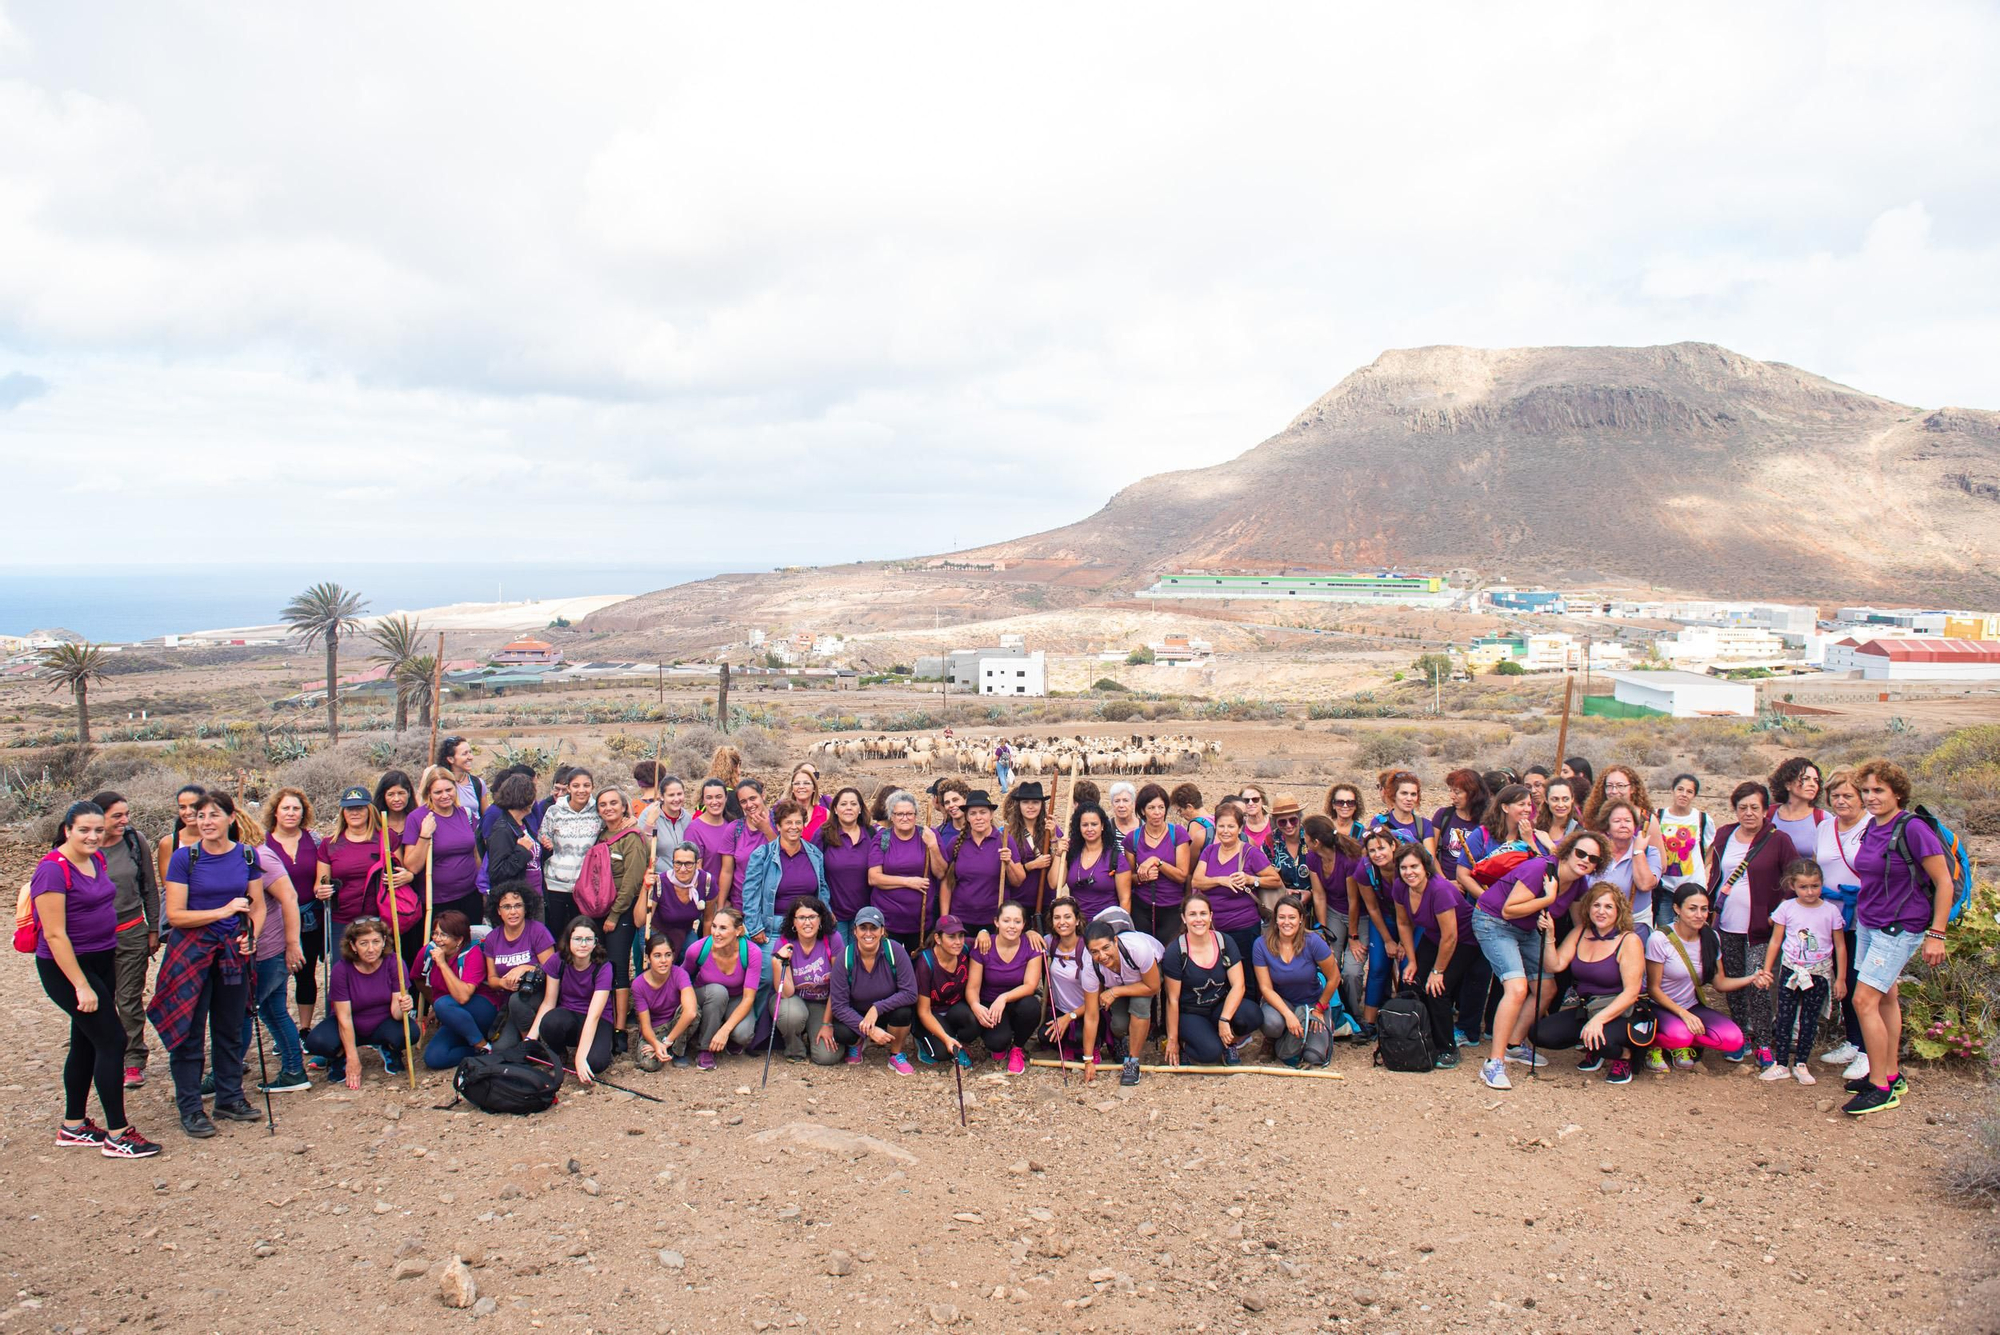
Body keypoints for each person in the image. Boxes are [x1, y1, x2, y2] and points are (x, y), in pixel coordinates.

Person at [29, 801, 161, 1157]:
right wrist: (81, 985)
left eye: (98, 830)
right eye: (84, 830)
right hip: (68, 968)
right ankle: (118, 1133)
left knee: (86, 1040)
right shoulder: (52, 870)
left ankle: (73, 1126)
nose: (92, 836)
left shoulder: (96, 859)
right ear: (68, 829)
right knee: (113, 1040)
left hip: (103, 958)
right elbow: (55, 935)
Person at [153, 791, 270, 1137]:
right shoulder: (184, 858)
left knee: (230, 1027)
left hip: (233, 951)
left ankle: (229, 1097)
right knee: (189, 1032)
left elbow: (258, 905)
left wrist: (253, 935)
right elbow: (175, 915)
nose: (205, 821)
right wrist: (222, 912)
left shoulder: (247, 856)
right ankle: (190, 1108)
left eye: (213, 815)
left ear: (231, 818)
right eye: (199, 815)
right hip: (191, 951)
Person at [1843, 758, 1955, 1115]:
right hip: (1870, 924)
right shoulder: (1873, 826)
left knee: (1864, 1001)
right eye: (1866, 791)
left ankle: (1879, 1088)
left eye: (1879, 790)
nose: (1871, 797)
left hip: (1899, 927)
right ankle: (1890, 1073)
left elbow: (1944, 882)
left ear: (1897, 793)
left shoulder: (1913, 828)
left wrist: (1936, 933)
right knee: (1885, 995)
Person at [1470, 829, 1608, 1091]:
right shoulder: (1540, 870)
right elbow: (1508, 910)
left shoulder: (1579, 883)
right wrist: (1548, 898)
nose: (1585, 860)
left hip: (1528, 928)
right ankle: (1494, 1062)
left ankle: (1513, 1044)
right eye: (1581, 853)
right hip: (1493, 921)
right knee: (1517, 988)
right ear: (1567, 851)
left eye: (1593, 859)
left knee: (1547, 988)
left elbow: (1579, 922)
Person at [1706, 781, 1798, 1068]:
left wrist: (1779, 911)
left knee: (1758, 982)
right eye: (1742, 807)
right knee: (1733, 982)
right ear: (1735, 809)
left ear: (1764, 809)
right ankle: (1741, 1036)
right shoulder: (1724, 834)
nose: (1748, 813)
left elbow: (1792, 877)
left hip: (1761, 927)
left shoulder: (1778, 839)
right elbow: (1714, 873)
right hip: (1726, 924)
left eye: (1754, 808)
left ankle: (1763, 1043)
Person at [1529, 883, 1648, 1084]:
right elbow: (1554, 966)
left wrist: (1598, 1020)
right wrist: (1549, 935)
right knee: (1539, 1033)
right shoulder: (1581, 931)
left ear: (1618, 911)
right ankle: (1594, 1045)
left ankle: (1625, 1055)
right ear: (1588, 908)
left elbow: (1631, 992)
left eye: (1608, 907)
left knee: (1604, 1040)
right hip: (1587, 1007)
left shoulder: (1629, 940)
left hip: (1620, 1011)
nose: (1601, 911)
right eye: (1596, 905)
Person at [87, 789, 161, 1092]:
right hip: (92, 937)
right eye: (117, 815)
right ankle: (102, 1052)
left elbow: (149, 885)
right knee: (96, 997)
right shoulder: (83, 845)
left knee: (128, 999)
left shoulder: (134, 840)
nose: (124, 820)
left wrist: (153, 927)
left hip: (131, 931)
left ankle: (133, 1059)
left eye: (126, 814)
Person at [235, 803, 309, 1096]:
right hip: (266, 950)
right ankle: (293, 1070)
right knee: (273, 1009)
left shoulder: (259, 857)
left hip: (268, 951)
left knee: (243, 1011)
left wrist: (293, 945)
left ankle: (225, 1073)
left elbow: (289, 897)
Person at [1757, 859, 1847, 1085]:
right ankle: (1780, 1064)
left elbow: (1840, 946)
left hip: (1818, 972)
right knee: (1785, 1017)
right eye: (1804, 887)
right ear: (1793, 886)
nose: (1809, 892)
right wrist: (1767, 970)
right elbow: (1776, 941)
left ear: (1821, 884)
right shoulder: (1787, 908)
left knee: (1809, 1019)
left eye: (1815, 886)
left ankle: (1802, 1064)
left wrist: (1841, 979)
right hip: (1791, 971)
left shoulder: (1831, 911)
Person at [303, 916, 419, 1091]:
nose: (371, 949)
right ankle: (341, 1055)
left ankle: (388, 1048)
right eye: (364, 943)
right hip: (351, 1023)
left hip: (383, 1022)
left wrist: (405, 1005)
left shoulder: (394, 963)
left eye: (376, 942)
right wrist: (353, 1059)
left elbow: (396, 1013)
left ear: (384, 942)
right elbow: (344, 1017)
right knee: (317, 1042)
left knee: (409, 1032)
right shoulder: (341, 970)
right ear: (353, 946)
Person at [1647, 884, 1755, 1065]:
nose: (1699, 915)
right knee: (1680, 1035)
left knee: (1733, 1039)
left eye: (1704, 909)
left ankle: (1682, 1043)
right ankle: (1654, 1046)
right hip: (1660, 1006)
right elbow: (1653, 989)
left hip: (1691, 1005)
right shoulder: (1660, 939)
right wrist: (1683, 1014)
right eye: (1692, 908)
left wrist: (1751, 978)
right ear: (1677, 909)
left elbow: (1719, 984)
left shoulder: (1712, 937)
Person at [1386, 842, 1471, 1069]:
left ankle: (1447, 1048)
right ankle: (1422, 1033)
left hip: (1465, 940)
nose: (1409, 872)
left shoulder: (1439, 890)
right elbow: (1403, 922)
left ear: (1425, 867)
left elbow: (1451, 936)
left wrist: (1437, 971)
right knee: (1411, 983)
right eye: (1404, 868)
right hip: (1434, 936)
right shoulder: (1400, 887)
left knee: (1437, 990)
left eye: (1414, 866)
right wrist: (1412, 961)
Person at [1811, 770, 1870, 1072]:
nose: (1841, 801)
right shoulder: (1824, 827)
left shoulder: (1872, 826)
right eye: (1835, 795)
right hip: (1832, 916)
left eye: (1848, 795)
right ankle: (1853, 1041)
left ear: (1862, 797)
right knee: (1843, 978)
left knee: (1864, 981)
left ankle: (1869, 1050)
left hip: (1866, 915)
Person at [1161, 894, 1259, 1066]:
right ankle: (1189, 1044)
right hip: (1190, 1012)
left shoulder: (1224, 941)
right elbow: (1172, 1000)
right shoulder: (1176, 951)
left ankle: (1229, 1042)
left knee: (1253, 1015)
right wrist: (1172, 1040)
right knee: (1209, 1053)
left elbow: (1238, 985)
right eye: (1192, 914)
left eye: (1203, 913)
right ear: (1184, 918)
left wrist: (1225, 1019)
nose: (1198, 919)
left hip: (1218, 1007)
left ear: (1211, 916)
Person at [321, 786, 413, 964]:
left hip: (379, 917)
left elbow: (401, 870)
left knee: (379, 969)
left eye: (360, 808)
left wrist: (408, 876)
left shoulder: (386, 838)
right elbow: (320, 883)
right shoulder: (329, 844)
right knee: (343, 971)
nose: (355, 812)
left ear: (369, 810)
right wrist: (321, 891)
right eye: (350, 808)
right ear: (343, 812)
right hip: (342, 919)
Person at [261, 786, 326, 1040]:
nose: (291, 813)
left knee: (306, 973)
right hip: (275, 921)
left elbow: (324, 871)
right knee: (277, 976)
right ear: (275, 812)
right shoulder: (262, 843)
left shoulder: (315, 840)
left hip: (311, 918)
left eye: (296, 809)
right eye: (285, 808)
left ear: (303, 813)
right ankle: (280, 1032)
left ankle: (305, 1028)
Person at [590, 788, 650, 1052]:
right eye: (603, 804)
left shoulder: (632, 838)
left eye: (614, 803)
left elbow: (632, 880)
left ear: (625, 807)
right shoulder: (599, 836)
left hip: (620, 912)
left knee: (618, 968)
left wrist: (615, 914)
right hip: (597, 909)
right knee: (600, 966)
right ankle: (601, 1020)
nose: (608, 808)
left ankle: (620, 1029)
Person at [1252, 895, 1343, 1067]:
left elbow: (1334, 978)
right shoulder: (1261, 944)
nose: (1287, 922)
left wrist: (1319, 1008)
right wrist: (1288, 1015)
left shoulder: (1314, 941)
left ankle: (1306, 1032)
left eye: (1292, 917)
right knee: (1272, 1023)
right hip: (1281, 1003)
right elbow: (1265, 988)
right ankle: (1273, 1039)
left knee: (1313, 1058)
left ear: (1301, 919)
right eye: (1282, 917)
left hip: (1312, 1004)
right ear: (1275, 919)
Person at [522, 916, 615, 1081]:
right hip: (569, 1015)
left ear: (595, 942)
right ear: (569, 940)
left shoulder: (604, 968)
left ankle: (594, 1047)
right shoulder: (558, 961)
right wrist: (529, 1039)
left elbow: (593, 1016)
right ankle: (559, 1053)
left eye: (588, 939)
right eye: (578, 939)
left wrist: (580, 1058)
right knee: (550, 1022)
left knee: (596, 1063)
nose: (583, 944)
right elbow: (548, 1003)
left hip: (597, 1019)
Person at [827, 906, 917, 1071]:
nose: (868, 933)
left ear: (882, 930)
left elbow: (910, 993)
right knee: (841, 1032)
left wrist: (877, 1008)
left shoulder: (895, 950)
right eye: (863, 928)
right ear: (855, 931)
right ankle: (858, 1042)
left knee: (904, 1012)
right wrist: (869, 1030)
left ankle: (896, 1054)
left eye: (873, 928)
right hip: (858, 1015)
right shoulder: (844, 958)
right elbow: (839, 1006)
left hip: (886, 1011)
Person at [1080, 916, 1166, 1085]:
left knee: (1140, 1006)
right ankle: (1123, 1039)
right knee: (1119, 1025)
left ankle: (1132, 1062)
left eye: (1106, 948)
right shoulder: (1090, 966)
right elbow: (1091, 1015)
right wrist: (1088, 1060)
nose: (1102, 956)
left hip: (1145, 976)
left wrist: (1115, 991)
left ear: (1115, 941)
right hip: (1118, 980)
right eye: (1095, 952)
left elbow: (1153, 987)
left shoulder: (1137, 948)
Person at [1192, 802, 1279, 964]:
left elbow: (1275, 880)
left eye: (1231, 826)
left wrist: (1251, 879)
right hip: (1213, 927)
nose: (1225, 831)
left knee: (1246, 975)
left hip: (1243, 927)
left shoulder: (1250, 853)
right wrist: (1220, 880)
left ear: (1240, 829)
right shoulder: (1209, 851)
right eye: (1221, 826)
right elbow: (1197, 881)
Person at [1301, 814, 1368, 1020]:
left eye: (1306, 836)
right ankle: (1336, 1010)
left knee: (1352, 970)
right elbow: (1319, 895)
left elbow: (1354, 900)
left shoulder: (1348, 859)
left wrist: (1354, 937)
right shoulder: (1313, 857)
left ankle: (1354, 1015)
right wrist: (1322, 929)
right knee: (1327, 958)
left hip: (1360, 915)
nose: (1304, 839)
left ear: (1316, 841)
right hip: (1334, 911)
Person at [401, 766, 482, 933]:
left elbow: (475, 854)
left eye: (449, 790)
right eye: (438, 792)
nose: (445, 796)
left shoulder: (465, 814)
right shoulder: (417, 818)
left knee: (470, 947)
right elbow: (412, 866)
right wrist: (424, 835)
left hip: (470, 896)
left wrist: (482, 887)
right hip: (437, 902)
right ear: (428, 793)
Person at [968, 902, 1044, 1072]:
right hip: (990, 1003)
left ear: (1024, 924)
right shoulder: (984, 946)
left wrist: (1004, 997)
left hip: (1017, 1001)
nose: (1012, 926)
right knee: (997, 1044)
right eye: (1006, 920)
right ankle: (1001, 1041)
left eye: (1017, 922)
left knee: (1031, 1006)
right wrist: (975, 1005)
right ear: (996, 922)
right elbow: (972, 987)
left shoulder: (1031, 946)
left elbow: (1030, 985)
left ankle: (1018, 1047)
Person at [684, 907, 763, 1069]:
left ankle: (727, 1037)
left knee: (743, 1035)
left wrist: (725, 1031)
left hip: (736, 997)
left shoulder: (752, 952)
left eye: (723, 928)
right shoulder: (698, 949)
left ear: (738, 931)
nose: (716, 933)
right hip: (706, 996)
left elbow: (749, 997)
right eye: (714, 926)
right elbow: (682, 979)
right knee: (718, 992)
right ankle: (705, 1049)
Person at [420, 909, 500, 1069]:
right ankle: (481, 1050)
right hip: (454, 1015)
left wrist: (442, 964)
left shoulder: (472, 954)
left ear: (459, 939)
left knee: (442, 1004)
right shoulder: (429, 952)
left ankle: (482, 1046)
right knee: (434, 1058)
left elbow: (463, 996)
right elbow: (417, 978)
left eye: (444, 935)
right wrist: (436, 1006)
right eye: (435, 934)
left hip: (480, 1009)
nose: (437, 939)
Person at [1345, 828, 1405, 1037]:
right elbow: (1372, 908)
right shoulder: (1365, 870)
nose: (1378, 854)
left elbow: (1417, 906)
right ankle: (1369, 1022)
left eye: (1382, 848)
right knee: (1378, 966)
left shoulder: (1406, 864)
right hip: (1385, 916)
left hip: (1414, 919)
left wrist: (1404, 943)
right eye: (1372, 850)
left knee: (1408, 967)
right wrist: (1389, 941)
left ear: (1393, 846)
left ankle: (1408, 1020)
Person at [868, 790, 943, 956]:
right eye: (899, 814)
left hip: (921, 922)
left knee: (918, 968)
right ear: (891, 816)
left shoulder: (929, 835)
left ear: (916, 815)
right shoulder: (882, 839)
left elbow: (940, 873)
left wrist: (933, 847)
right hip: (888, 921)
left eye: (909, 813)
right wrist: (909, 882)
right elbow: (874, 878)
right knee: (889, 966)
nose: (905, 818)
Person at [483, 881, 557, 1045]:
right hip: (510, 1001)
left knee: (518, 1001)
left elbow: (553, 969)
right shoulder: (492, 938)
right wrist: (503, 983)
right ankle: (528, 1045)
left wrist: (525, 968)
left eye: (518, 905)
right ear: (498, 911)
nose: (513, 911)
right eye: (507, 907)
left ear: (526, 908)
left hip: (540, 994)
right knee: (501, 1050)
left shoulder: (537, 931)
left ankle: (532, 1046)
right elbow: (492, 979)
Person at [773, 899, 844, 1064]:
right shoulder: (784, 943)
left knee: (827, 1057)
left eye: (812, 917)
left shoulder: (833, 939)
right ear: (793, 921)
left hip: (823, 1003)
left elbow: (839, 985)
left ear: (820, 919)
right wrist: (777, 963)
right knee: (792, 1014)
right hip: (794, 1001)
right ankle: (794, 1047)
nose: (807, 922)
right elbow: (786, 993)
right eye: (801, 917)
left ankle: (817, 1036)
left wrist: (827, 1023)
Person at [538, 767, 602, 931]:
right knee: (557, 930)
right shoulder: (554, 811)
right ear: (568, 788)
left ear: (592, 787)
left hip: (585, 885)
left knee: (582, 931)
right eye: (576, 786)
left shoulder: (598, 812)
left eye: (586, 785)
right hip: (556, 883)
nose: (581, 790)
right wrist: (547, 843)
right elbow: (543, 835)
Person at [1126, 784, 1191, 943]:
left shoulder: (1178, 834)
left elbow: (1182, 876)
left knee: (1170, 956)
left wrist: (1158, 862)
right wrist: (1142, 877)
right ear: (1142, 810)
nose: (1157, 813)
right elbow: (1128, 878)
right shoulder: (1132, 839)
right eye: (1151, 808)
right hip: (1142, 908)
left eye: (1161, 807)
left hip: (1173, 907)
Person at [912, 914, 979, 1068]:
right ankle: (923, 1040)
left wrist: (983, 932)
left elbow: (993, 941)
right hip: (931, 1012)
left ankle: (956, 1041)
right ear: (938, 938)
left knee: (974, 1023)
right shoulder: (926, 963)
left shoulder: (966, 947)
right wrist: (944, 1038)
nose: (958, 942)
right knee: (941, 1054)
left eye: (961, 936)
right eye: (951, 937)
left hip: (954, 1008)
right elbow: (924, 1011)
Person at [941, 790, 1007, 935]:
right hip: (961, 919)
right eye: (973, 813)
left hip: (994, 920)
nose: (978, 818)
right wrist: (945, 918)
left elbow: (1017, 881)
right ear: (967, 817)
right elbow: (947, 882)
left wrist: (1009, 863)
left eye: (983, 812)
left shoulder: (1004, 841)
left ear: (991, 814)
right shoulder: (955, 843)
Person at [1053, 802, 1129, 924]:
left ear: (1102, 826)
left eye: (1094, 824)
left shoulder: (1116, 858)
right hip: (1076, 927)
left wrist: (1120, 929)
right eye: (1085, 825)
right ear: (1079, 827)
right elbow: (1054, 883)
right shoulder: (1072, 852)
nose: (1089, 829)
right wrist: (1058, 854)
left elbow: (1125, 900)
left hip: (1106, 928)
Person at [1039, 898, 1095, 1062]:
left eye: (1067, 917)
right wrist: (1031, 933)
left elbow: (1096, 999)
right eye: (1057, 918)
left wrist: (1068, 1017)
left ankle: (1093, 1045)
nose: (1062, 922)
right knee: (1044, 1036)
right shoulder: (1050, 942)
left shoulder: (1087, 949)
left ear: (1077, 920)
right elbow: (1027, 942)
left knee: (1078, 1037)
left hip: (1086, 1011)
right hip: (1060, 1009)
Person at [631, 934, 699, 1071]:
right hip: (656, 1030)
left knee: (694, 1013)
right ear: (648, 957)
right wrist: (656, 1044)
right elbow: (645, 1025)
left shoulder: (680, 974)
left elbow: (691, 1012)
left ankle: (677, 1050)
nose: (663, 960)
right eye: (657, 955)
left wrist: (666, 1042)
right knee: (649, 1064)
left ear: (673, 956)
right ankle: (669, 1050)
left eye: (668, 955)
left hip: (677, 1026)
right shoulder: (638, 984)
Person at [1656, 774, 1716, 928]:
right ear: (1672, 790)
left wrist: (1703, 865)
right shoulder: (1658, 816)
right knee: (1666, 933)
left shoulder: (1702, 819)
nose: (1684, 794)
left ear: (1694, 795)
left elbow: (1714, 845)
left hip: (1693, 887)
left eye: (1689, 791)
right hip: (1665, 887)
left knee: (1692, 930)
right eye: (1680, 789)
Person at [1595, 801, 1664, 932]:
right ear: (1607, 827)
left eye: (1627, 820)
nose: (1623, 825)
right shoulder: (1597, 852)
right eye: (1616, 821)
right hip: (1598, 926)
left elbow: (1645, 885)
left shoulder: (1650, 852)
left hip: (1634, 927)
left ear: (1634, 825)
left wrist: (1638, 852)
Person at [483, 772, 543, 900]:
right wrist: (521, 851)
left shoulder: (523, 823)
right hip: (516, 900)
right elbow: (497, 872)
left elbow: (533, 859)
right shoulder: (502, 830)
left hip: (533, 895)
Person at [1000, 782, 1058, 913]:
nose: (1030, 807)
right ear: (1018, 805)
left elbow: (1057, 864)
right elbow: (1006, 872)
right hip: (1018, 902)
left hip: (1046, 900)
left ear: (1041, 805)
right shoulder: (1008, 833)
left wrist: (1053, 838)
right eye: (1025, 802)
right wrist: (1032, 865)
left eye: (1035, 802)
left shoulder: (1051, 829)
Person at [686, 779, 735, 929]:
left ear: (726, 798)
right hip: (708, 901)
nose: (715, 802)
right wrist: (717, 904)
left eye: (718, 797)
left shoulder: (732, 825)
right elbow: (697, 871)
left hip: (732, 899)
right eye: (709, 797)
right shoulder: (694, 829)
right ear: (703, 800)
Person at [727, 779, 776, 915]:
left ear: (763, 795)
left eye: (753, 798)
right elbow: (727, 871)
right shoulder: (735, 829)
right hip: (743, 904)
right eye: (743, 801)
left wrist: (766, 830)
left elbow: (785, 856)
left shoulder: (780, 821)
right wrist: (721, 905)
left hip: (774, 903)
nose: (749, 805)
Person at [1432, 769, 1490, 883]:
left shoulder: (1487, 820)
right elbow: (1431, 854)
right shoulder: (1443, 815)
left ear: (1473, 793)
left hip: (1475, 884)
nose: (1452, 796)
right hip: (1445, 883)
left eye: (1457, 792)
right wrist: (1446, 882)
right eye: (1451, 791)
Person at [1766, 757, 1825, 866]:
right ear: (1788, 784)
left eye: (1816, 780)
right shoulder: (1768, 815)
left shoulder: (1823, 819)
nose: (1812, 784)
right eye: (1806, 778)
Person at [1264, 795, 1314, 921]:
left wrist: (1311, 893)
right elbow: (1265, 874)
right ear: (1275, 822)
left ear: (1299, 818)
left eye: (1293, 820)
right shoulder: (1270, 842)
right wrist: (1283, 891)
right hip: (1283, 909)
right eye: (1282, 821)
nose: (1288, 825)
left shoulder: (1311, 838)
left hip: (1314, 907)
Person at [1370, 772, 1437, 852]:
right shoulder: (1379, 822)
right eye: (1404, 793)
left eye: (1413, 794)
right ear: (1394, 795)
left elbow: (1429, 859)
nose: (1409, 798)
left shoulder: (1424, 825)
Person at [153, 783, 205, 885]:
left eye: (193, 806)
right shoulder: (170, 843)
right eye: (182, 807)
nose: (188, 812)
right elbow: (168, 886)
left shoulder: (217, 839)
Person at [1581, 765, 1654, 832]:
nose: (1614, 791)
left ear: (1632, 789)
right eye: (1609, 786)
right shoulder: (1594, 818)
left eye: (1620, 786)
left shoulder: (1647, 819)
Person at [1171, 782, 1213, 861]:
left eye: (1180, 811)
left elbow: (1189, 856)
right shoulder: (1214, 819)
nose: (1180, 815)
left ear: (1189, 807)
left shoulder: (1196, 824)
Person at [786, 766, 830, 840]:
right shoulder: (784, 812)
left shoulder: (825, 814)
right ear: (792, 789)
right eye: (797, 783)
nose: (801, 786)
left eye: (806, 783)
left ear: (814, 788)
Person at [1237, 785, 1274, 852]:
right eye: (1246, 800)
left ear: (1263, 801)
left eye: (1255, 800)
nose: (1250, 803)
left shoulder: (1276, 823)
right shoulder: (1238, 826)